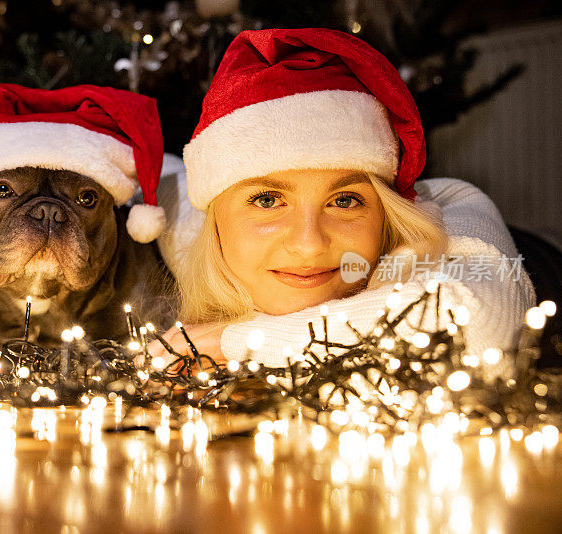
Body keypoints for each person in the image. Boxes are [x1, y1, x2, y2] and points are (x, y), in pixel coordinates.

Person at [149, 28, 535, 367]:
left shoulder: (453, 203)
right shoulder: (181, 222)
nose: (309, 245)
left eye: (345, 200)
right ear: (214, 217)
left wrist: (235, 341)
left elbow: (479, 328)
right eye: (267, 200)